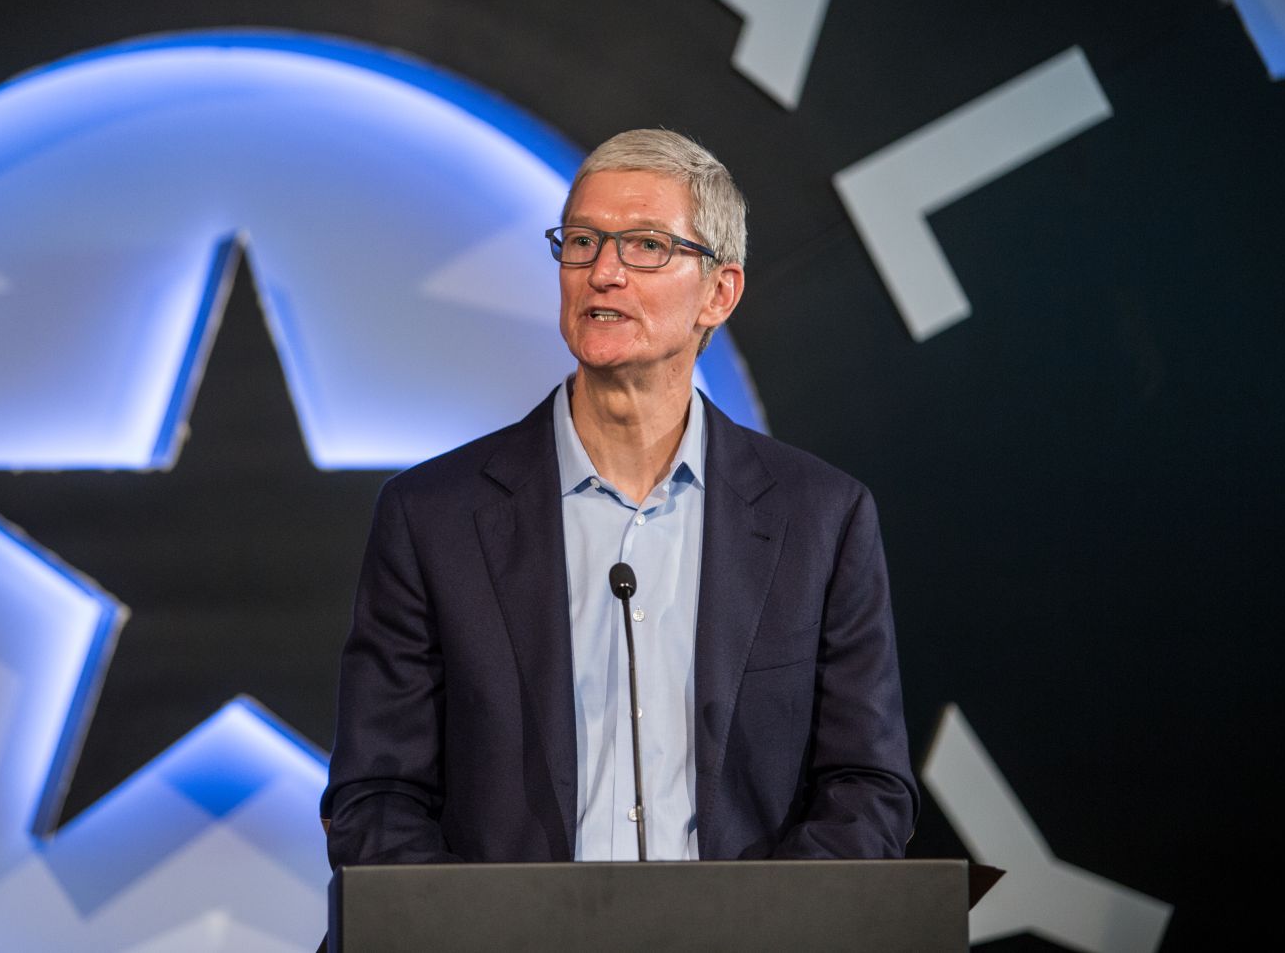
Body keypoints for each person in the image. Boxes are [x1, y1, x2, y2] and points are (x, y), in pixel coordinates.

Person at [321, 128, 916, 866]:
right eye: (581, 243)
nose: (604, 272)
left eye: (645, 247)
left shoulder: (822, 518)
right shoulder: (431, 516)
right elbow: (376, 797)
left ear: (719, 292)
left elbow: (868, 787)